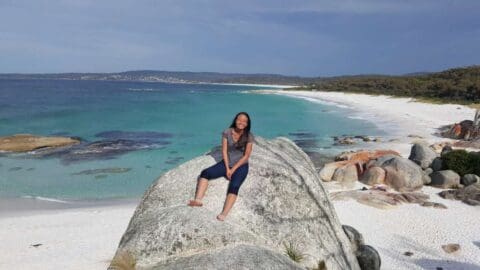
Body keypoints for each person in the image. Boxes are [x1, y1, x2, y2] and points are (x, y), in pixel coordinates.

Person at [187, 111, 254, 221]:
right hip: (227, 163)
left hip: (241, 166)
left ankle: (224, 213)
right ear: (235, 120)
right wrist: (227, 168)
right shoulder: (227, 132)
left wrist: (233, 170)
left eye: (244, 121)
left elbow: (246, 156)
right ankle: (198, 200)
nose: (241, 122)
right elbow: (224, 151)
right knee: (205, 173)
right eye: (239, 119)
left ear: (247, 124)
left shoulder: (249, 136)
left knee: (234, 186)